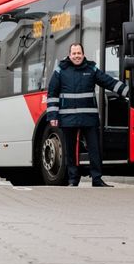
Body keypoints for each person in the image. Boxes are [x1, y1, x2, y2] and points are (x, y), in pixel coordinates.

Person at [46, 43, 129, 187]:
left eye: (79, 53)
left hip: (89, 118)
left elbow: (108, 81)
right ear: (69, 55)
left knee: (94, 150)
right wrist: (52, 116)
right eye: (74, 53)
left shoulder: (91, 69)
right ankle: (73, 180)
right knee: (70, 152)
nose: (77, 56)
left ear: (83, 55)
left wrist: (128, 91)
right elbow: (52, 94)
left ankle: (97, 179)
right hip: (68, 118)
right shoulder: (60, 70)